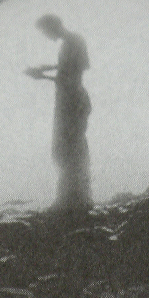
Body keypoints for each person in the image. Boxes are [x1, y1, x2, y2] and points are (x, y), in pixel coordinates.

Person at [25, 14, 93, 211]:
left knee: (68, 148)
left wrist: (41, 76)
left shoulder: (72, 42)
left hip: (71, 100)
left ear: (53, 27)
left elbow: (71, 76)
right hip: (71, 99)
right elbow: (75, 66)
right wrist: (49, 68)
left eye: (45, 32)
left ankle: (73, 199)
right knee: (71, 146)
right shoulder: (73, 41)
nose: (46, 36)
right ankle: (77, 196)